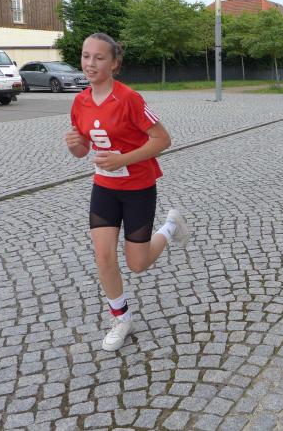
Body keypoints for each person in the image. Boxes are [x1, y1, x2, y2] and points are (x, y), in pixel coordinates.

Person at [66, 32, 190, 351]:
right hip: (104, 188)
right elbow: (83, 151)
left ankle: (170, 227)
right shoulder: (80, 102)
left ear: (114, 63)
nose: (90, 63)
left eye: (99, 57)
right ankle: (121, 318)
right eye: (86, 56)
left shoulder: (129, 98)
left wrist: (122, 159)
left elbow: (163, 140)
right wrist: (75, 145)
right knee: (103, 255)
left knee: (137, 263)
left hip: (138, 187)